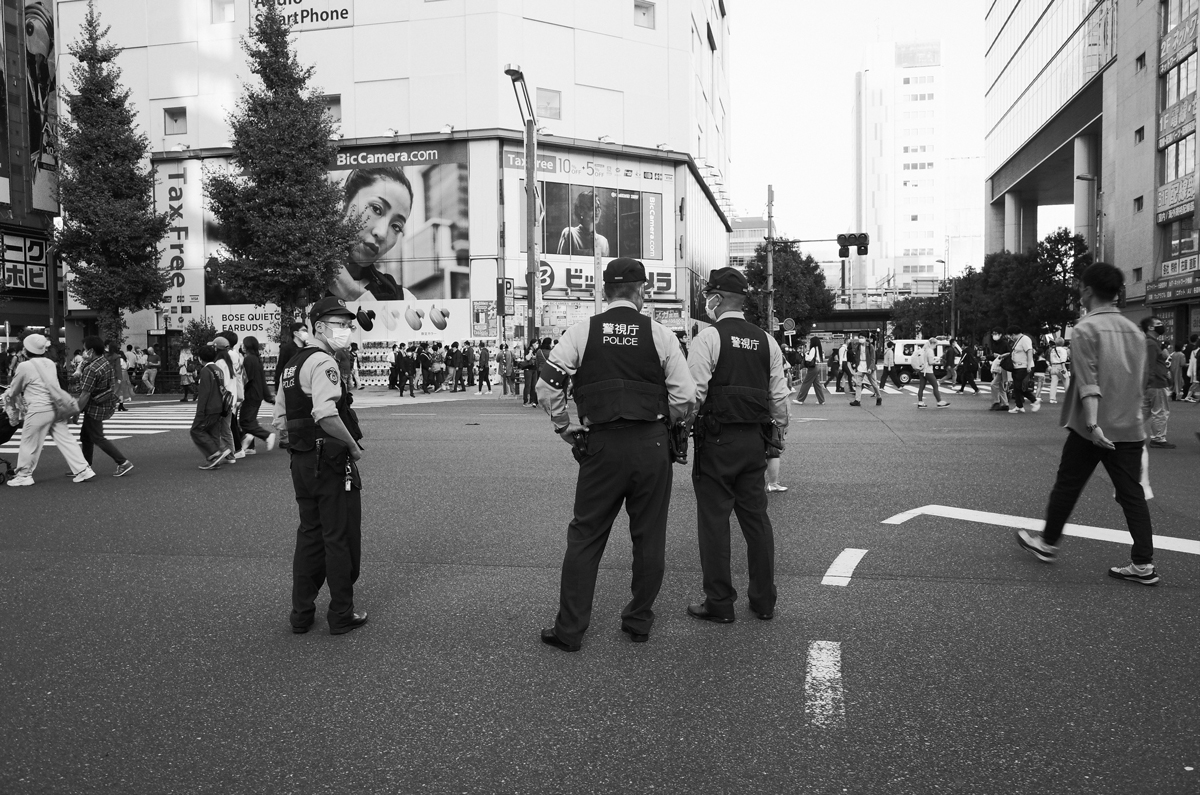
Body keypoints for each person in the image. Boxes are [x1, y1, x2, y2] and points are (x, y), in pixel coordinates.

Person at [536, 257, 695, 651]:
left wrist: (564, 425)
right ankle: (639, 621)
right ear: (642, 291)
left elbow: (548, 384)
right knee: (649, 536)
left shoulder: (581, 331)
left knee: (586, 535)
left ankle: (570, 629)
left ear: (605, 292)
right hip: (652, 444)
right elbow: (686, 396)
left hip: (601, 444)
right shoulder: (661, 335)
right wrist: (665, 423)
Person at [1016, 262, 1160, 586]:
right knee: (1131, 494)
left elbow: (1089, 382)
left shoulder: (1085, 330)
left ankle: (1048, 543)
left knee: (1068, 485)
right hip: (1129, 426)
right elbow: (1141, 382)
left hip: (1091, 429)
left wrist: (1094, 426)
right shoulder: (1135, 331)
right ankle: (1143, 564)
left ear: (1087, 291)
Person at [685, 267, 788, 624]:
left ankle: (719, 602)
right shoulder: (766, 341)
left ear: (718, 298)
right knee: (756, 520)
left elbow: (692, 395)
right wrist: (778, 434)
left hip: (717, 440)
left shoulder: (709, 338)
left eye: (709, 296)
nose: (707, 302)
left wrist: (682, 427)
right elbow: (779, 398)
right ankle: (764, 601)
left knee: (714, 521)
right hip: (754, 442)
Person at [272, 296, 368, 635]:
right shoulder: (323, 362)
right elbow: (326, 413)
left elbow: (280, 419)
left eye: (347, 325)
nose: (346, 330)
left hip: (301, 461)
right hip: (328, 460)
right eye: (339, 325)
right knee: (338, 536)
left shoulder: (292, 365)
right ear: (319, 327)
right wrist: (352, 447)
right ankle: (341, 613)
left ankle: (301, 613)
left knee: (309, 535)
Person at [5, 334, 95, 486]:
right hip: (56, 408)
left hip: (38, 409)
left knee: (29, 442)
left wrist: (8, 393)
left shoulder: (25, 366)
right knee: (66, 440)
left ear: (26, 350)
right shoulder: (49, 363)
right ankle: (83, 469)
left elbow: (15, 390)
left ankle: (24, 475)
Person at [329, 167, 415, 302]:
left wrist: (353, 293)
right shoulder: (291, 274)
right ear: (344, 202)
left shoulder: (402, 300)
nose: (381, 233)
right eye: (376, 209)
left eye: (396, 226)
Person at [75, 336, 132, 477]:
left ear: (91, 351)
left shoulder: (91, 369)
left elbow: (85, 394)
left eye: (85, 350)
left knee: (97, 437)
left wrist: (75, 411)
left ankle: (123, 462)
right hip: (104, 403)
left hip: (94, 407)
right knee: (86, 436)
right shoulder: (104, 362)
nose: (84, 352)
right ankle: (85, 466)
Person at [191, 344, 229, 470]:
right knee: (213, 432)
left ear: (200, 358)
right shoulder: (219, 369)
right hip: (219, 407)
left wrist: (200, 412)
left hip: (209, 408)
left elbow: (204, 394)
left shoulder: (205, 371)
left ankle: (214, 454)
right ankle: (216, 459)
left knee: (196, 430)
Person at [238, 336, 277, 455]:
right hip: (257, 394)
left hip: (251, 394)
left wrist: (240, 394)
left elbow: (246, 379)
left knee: (245, 421)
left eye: (243, 344)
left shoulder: (249, 360)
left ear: (247, 346)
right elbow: (262, 380)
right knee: (249, 420)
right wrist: (268, 396)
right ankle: (250, 447)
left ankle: (267, 435)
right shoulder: (256, 359)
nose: (241, 347)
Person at [1140, 317, 1175, 449]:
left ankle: (1125, 431)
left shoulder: (1152, 343)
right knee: (1160, 411)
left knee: (1143, 411)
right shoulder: (1151, 343)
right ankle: (1158, 438)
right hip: (1156, 383)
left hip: (1152, 383)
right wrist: (1149, 381)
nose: (1162, 326)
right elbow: (1149, 365)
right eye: (1158, 324)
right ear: (1150, 327)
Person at [557, 190, 610, 257]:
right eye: (592, 207)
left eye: (599, 207)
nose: (597, 211)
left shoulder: (603, 242)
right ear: (581, 211)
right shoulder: (570, 234)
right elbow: (562, 262)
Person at [1007, 325, 1041, 414]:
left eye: (1011, 336)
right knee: (1016, 388)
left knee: (1020, 387)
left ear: (1013, 334)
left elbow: (1029, 351)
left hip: (1023, 367)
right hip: (1017, 367)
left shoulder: (1025, 339)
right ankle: (1019, 406)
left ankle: (1034, 400)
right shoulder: (1019, 340)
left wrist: (1029, 365)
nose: (1011, 338)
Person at [848, 332, 882, 407]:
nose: (860, 339)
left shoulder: (870, 347)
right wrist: (855, 365)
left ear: (866, 338)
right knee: (858, 384)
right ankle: (857, 400)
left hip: (868, 366)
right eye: (860, 337)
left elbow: (873, 359)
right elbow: (856, 356)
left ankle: (879, 397)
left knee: (874, 384)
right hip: (860, 366)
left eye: (862, 337)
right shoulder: (858, 346)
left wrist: (870, 368)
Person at [915, 339, 950, 409]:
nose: (935, 346)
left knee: (921, 387)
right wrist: (937, 360)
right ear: (933, 344)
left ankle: (920, 402)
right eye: (936, 345)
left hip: (921, 370)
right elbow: (930, 362)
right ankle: (939, 402)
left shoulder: (924, 349)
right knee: (935, 385)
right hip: (928, 371)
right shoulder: (930, 351)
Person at [793, 336, 827, 405]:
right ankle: (821, 400)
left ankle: (800, 399)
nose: (809, 343)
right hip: (817, 366)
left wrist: (806, 354)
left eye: (810, 341)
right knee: (817, 385)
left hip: (812, 368)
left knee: (806, 383)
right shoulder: (818, 349)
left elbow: (809, 359)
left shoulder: (813, 349)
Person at [275, 322, 308, 391]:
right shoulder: (286, 348)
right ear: (295, 333)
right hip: (291, 384)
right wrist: (278, 388)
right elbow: (280, 368)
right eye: (304, 331)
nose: (306, 333)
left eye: (307, 331)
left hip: (306, 384)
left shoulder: (308, 348)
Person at [985, 328, 1010, 411]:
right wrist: (987, 357)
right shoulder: (995, 344)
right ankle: (1005, 404)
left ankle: (996, 402)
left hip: (1004, 366)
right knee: (1000, 386)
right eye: (993, 334)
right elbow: (994, 355)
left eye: (996, 333)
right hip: (999, 366)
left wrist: (1000, 355)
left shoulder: (1005, 343)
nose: (994, 335)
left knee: (993, 384)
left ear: (1000, 334)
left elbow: (1010, 353)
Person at [1046, 336, 1070, 403]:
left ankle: (1052, 398)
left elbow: (1050, 359)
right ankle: (1069, 398)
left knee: (1053, 383)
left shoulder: (1052, 350)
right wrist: (1064, 368)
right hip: (1061, 366)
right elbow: (1063, 360)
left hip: (1053, 366)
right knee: (1066, 382)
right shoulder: (1063, 350)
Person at [522, 340, 540, 406]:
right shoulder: (528, 350)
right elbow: (527, 358)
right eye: (536, 343)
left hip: (534, 369)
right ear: (532, 344)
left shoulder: (537, 350)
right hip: (528, 369)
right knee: (527, 385)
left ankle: (532, 401)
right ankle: (525, 401)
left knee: (534, 386)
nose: (537, 344)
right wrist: (530, 352)